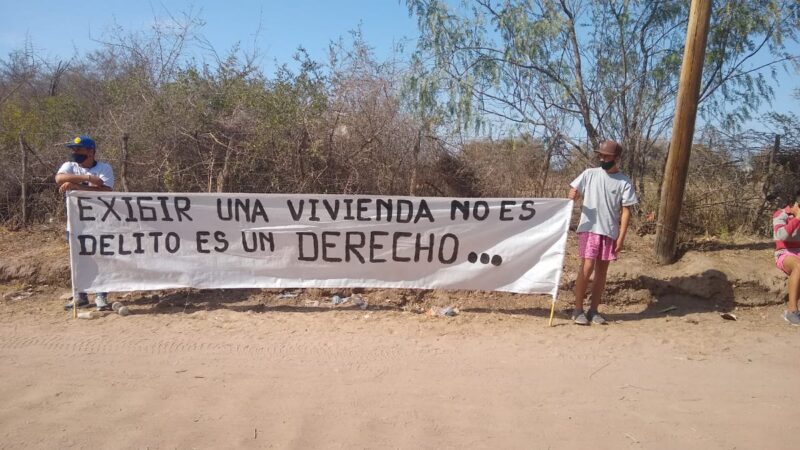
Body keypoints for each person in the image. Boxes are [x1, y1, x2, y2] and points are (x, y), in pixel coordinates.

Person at [567, 140, 638, 325]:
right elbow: (573, 192)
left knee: (601, 272)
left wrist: (621, 237)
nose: (602, 158)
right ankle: (577, 309)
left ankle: (594, 310)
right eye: (601, 155)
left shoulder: (624, 182)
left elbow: (626, 211)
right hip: (589, 229)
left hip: (609, 232)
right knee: (587, 266)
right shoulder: (589, 174)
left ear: (616, 158)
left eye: (606, 156)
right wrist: (573, 196)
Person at [55, 135, 115, 311]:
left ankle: (100, 296)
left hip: (100, 223)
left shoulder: (105, 168)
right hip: (75, 223)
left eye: (79, 149)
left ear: (90, 151)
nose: (75, 152)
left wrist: (75, 186)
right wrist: (89, 179)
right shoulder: (69, 166)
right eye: (73, 149)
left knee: (101, 258)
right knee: (78, 259)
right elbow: (59, 179)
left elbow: (105, 190)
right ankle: (80, 296)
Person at [773, 188, 800, 326]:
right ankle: (791, 311)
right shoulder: (781, 214)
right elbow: (782, 236)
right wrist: (797, 218)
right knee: (798, 266)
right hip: (785, 253)